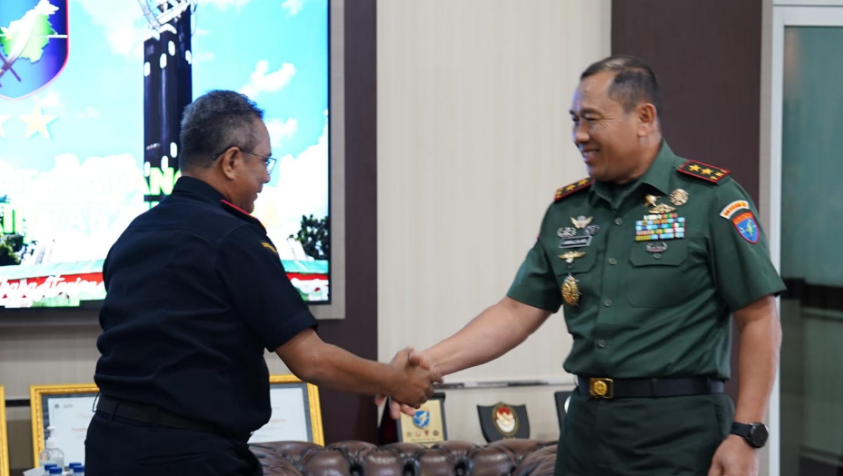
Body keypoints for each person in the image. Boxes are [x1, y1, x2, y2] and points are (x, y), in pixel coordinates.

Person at [382, 55, 784, 476]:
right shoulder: (568, 211)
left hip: (680, 432)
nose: (579, 135)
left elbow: (759, 318)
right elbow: (517, 311)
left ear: (643, 117)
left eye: (592, 120)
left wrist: (747, 432)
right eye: (574, 120)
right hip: (587, 431)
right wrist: (430, 363)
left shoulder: (711, 200)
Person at [86, 90, 440, 476]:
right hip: (189, 457)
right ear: (232, 161)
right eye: (264, 161)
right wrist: (395, 380)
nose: (267, 175)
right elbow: (311, 359)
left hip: (108, 446)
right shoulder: (234, 237)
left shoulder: (134, 233)